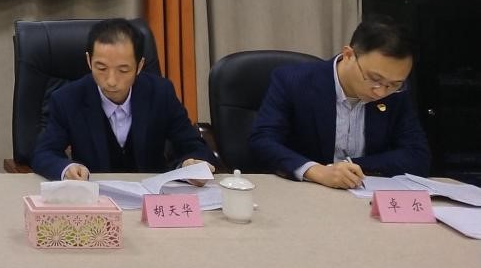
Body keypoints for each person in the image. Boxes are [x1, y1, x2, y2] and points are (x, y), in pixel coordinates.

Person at [248, 15, 430, 187]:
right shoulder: (293, 81)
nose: (381, 92)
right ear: (348, 55)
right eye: (374, 79)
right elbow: (262, 142)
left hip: (365, 196)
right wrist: (317, 171)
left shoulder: (396, 94)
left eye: (394, 84)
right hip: (305, 192)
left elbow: (417, 156)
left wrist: (348, 168)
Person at [31, 17, 216, 181]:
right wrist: (67, 169)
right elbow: (44, 153)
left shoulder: (161, 93)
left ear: (139, 66)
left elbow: (195, 147)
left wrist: (191, 165)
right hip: (96, 196)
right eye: (101, 68)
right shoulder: (67, 99)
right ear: (89, 61)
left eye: (123, 70)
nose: (111, 81)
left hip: (151, 197)